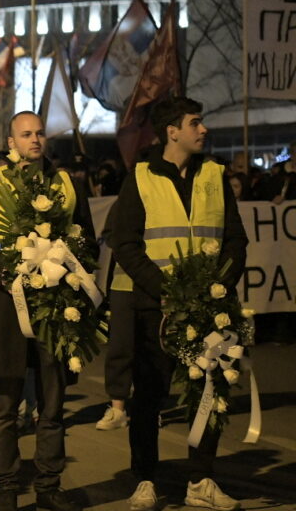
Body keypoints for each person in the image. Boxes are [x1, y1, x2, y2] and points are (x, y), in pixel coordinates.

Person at [106, 97, 247, 511]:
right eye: (195, 123)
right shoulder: (142, 176)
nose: (203, 130)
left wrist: (220, 287)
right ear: (172, 131)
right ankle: (145, 480)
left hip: (208, 308)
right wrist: (164, 289)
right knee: (149, 396)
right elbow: (125, 244)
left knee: (208, 394)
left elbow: (235, 239)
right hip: (157, 308)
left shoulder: (216, 173)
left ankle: (201, 481)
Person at [0, 111, 92, 511]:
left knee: (52, 406)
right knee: (4, 408)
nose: (34, 140)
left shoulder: (67, 184)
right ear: (10, 141)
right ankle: (6, 487)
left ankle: (49, 486)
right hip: (6, 306)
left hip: (56, 307)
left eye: (39, 134)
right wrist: (7, 271)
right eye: (26, 134)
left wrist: (68, 267)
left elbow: (86, 239)